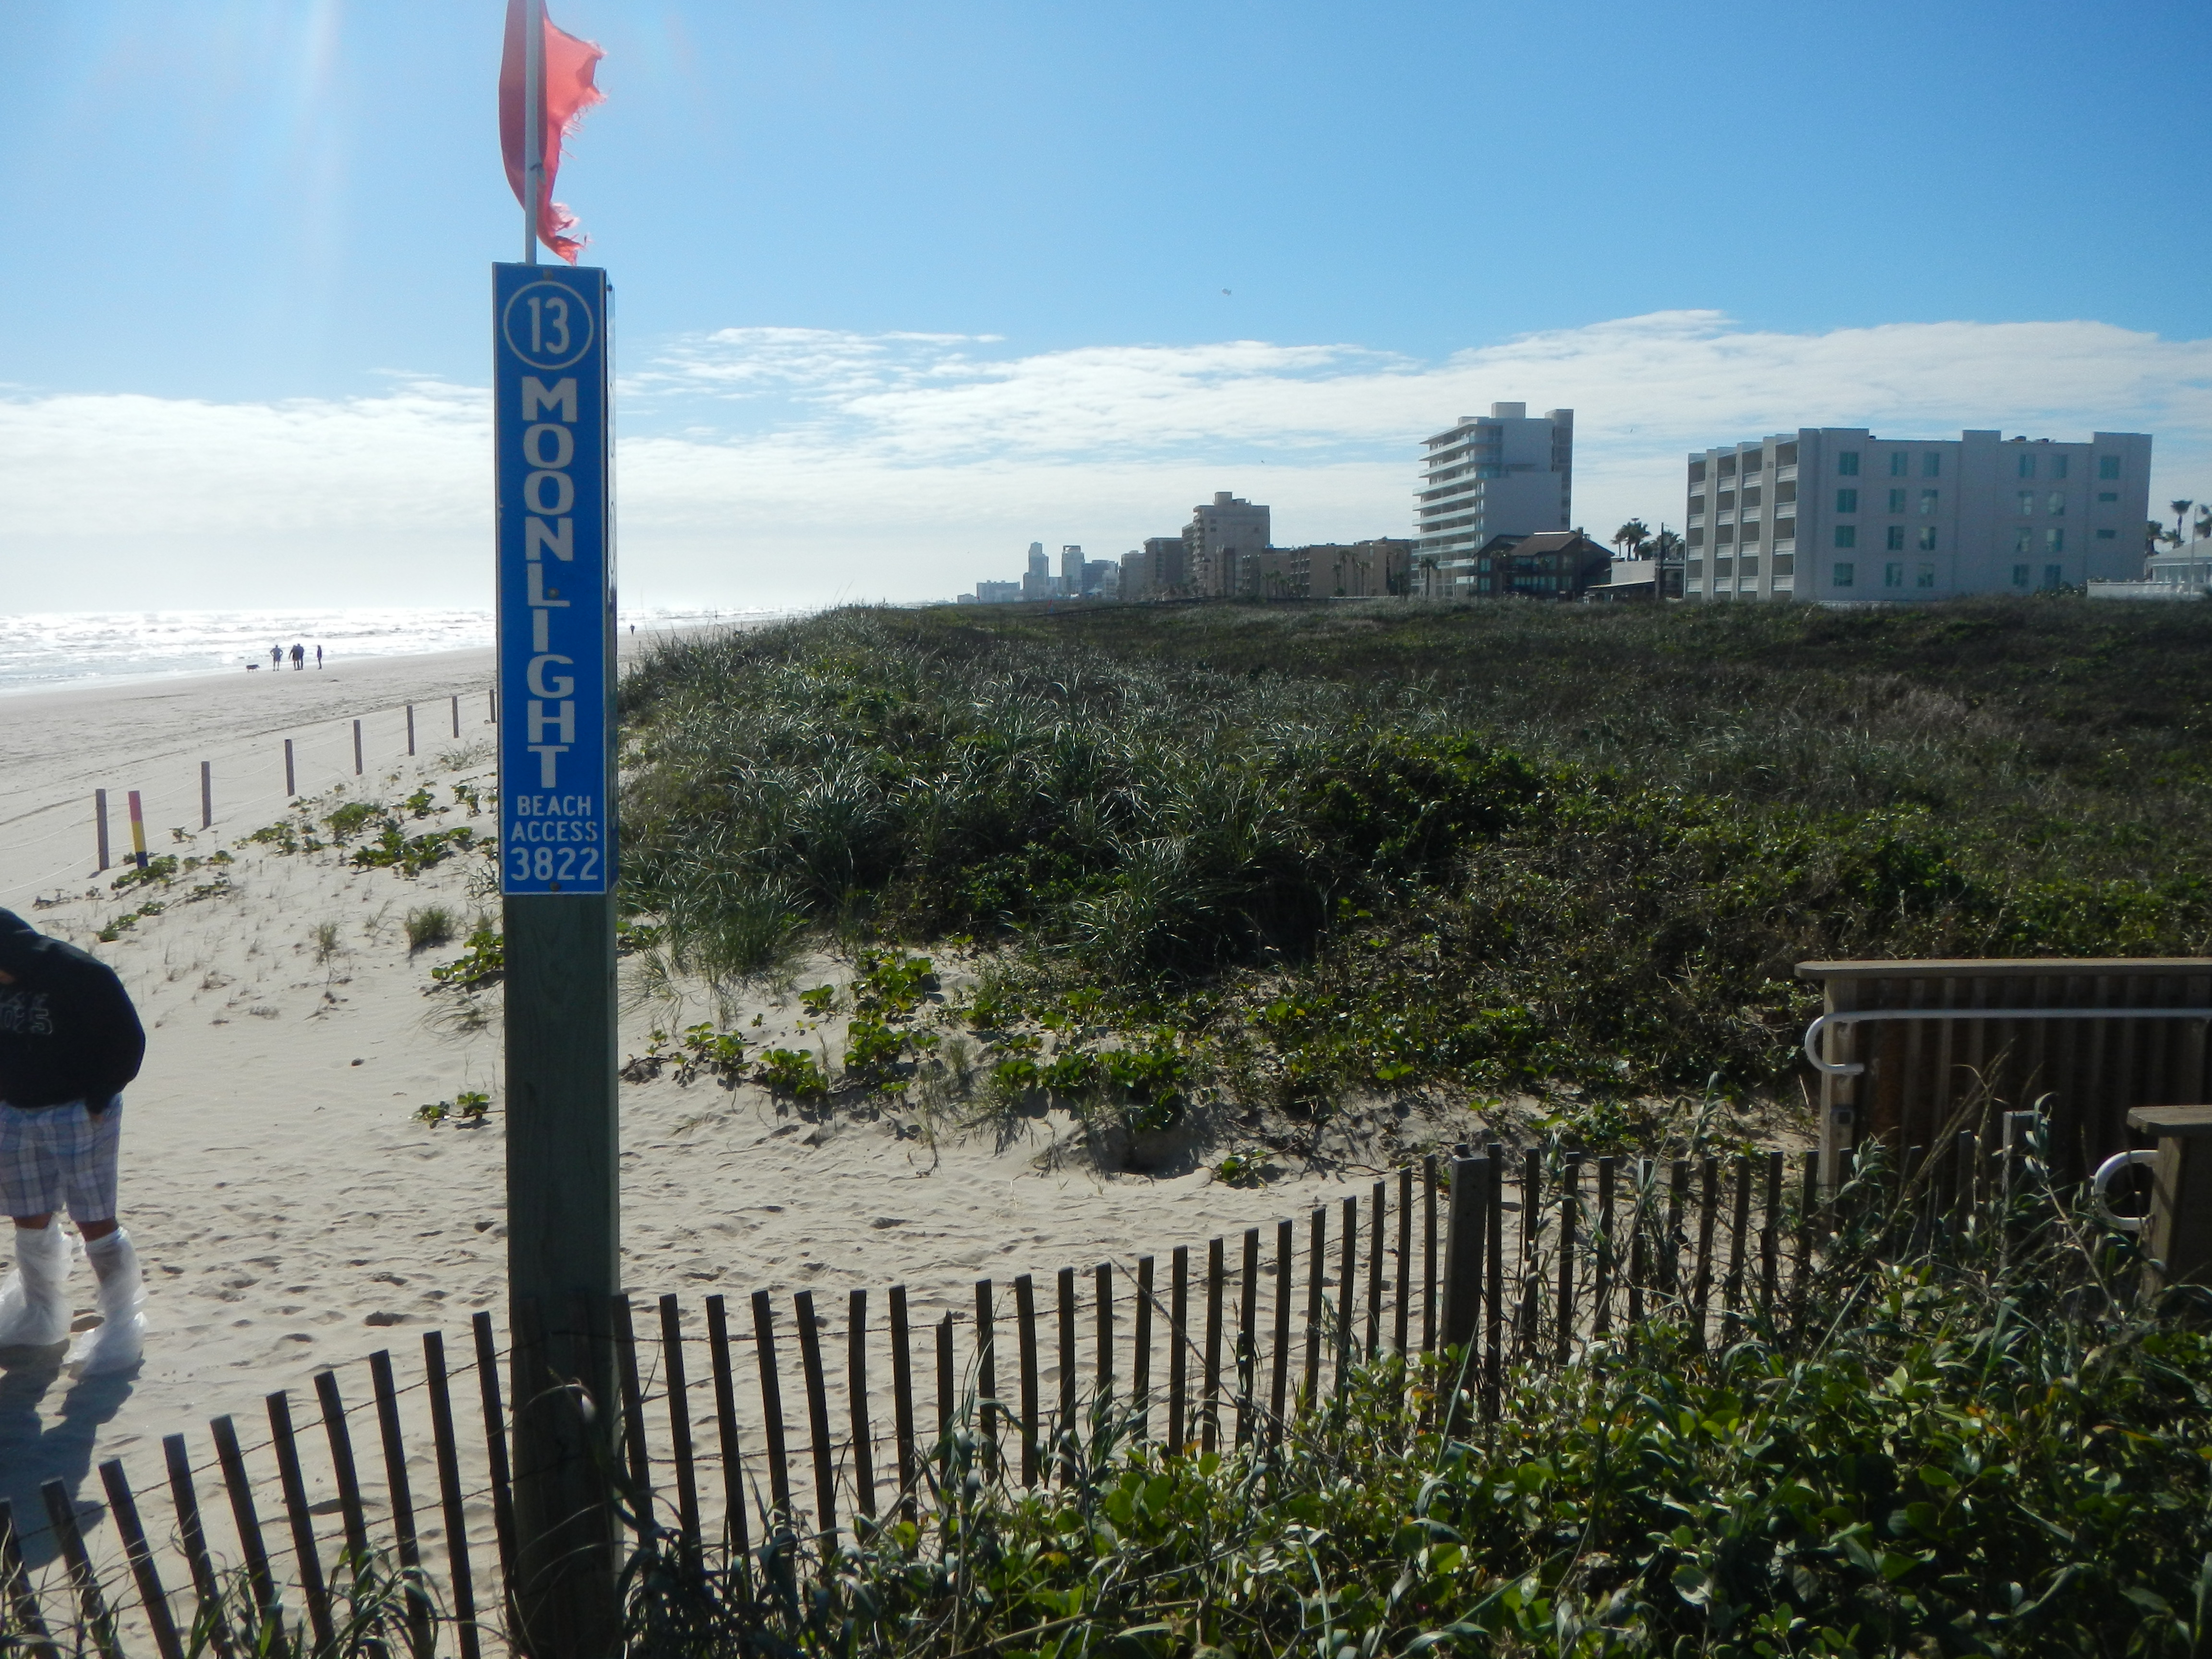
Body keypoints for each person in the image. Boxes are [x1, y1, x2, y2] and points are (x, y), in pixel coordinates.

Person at [0, 911, 147, 1371]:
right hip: (14, 1109)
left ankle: (122, 1323)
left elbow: (127, 1039)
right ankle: (41, 1315)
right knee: (28, 1214)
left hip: (78, 1109)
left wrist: (101, 1095)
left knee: (94, 1217)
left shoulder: (80, 974)